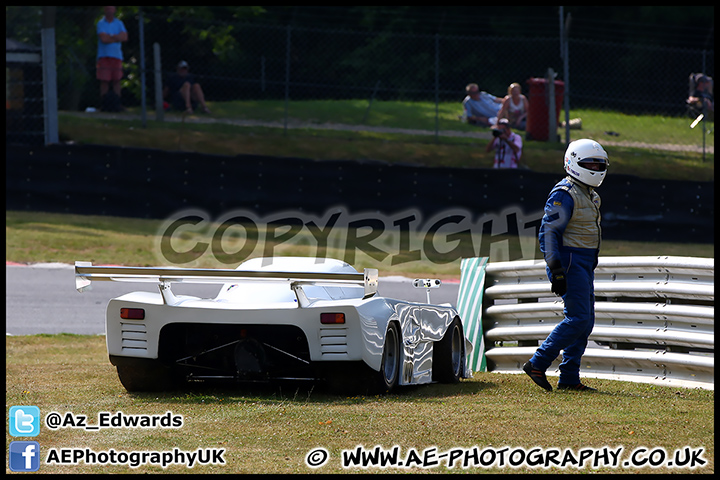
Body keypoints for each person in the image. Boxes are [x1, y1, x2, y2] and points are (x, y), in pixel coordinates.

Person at [522, 139, 609, 392]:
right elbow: (548, 232)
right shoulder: (565, 193)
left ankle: (569, 378)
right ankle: (538, 362)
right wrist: (556, 269)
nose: (595, 167)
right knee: (579, 318)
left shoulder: (590, 194)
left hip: (583, 262)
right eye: (589, 163)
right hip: (569, 262)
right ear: (573, 162)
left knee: (586, 320)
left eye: (599, 163)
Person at [96, 6, 127, 111]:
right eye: (108, 8)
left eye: (111, 8)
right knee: (104, 80)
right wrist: (116, 37)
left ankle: (117, 104)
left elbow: (124, 37)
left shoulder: (119, 23)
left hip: (117, 56)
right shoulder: (101, 23)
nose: (110, 10)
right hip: (104, 56)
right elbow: (104, 39)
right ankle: (104, 104)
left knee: (117, 80)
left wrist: (111, 36)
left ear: (114, 9)